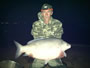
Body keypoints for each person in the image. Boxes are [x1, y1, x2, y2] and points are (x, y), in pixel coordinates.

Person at [30, 3, 66, 68]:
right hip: (40, 50)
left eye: (48, 12)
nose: (46, 14)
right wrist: (32, 52)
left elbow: (58, 40)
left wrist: (60, 52)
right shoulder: (36, 24)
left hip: (52, 50)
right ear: (41, 13)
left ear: (51, 13)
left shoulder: (57, 23)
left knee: (57, 65)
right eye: (44, 12)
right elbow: (36, 40)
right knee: (35, 66)